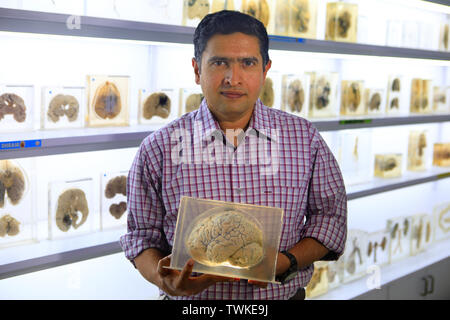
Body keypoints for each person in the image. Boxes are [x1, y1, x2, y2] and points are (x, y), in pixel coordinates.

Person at [119, 10, 347, 300]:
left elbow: (330, 217)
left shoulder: (303, 138)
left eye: (248, 63)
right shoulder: (158, 148)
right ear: (197, 69)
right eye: (219, 62)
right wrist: (164, 280)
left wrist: (286, 261)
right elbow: (141, 237)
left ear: (265, 69)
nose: (232, 78)